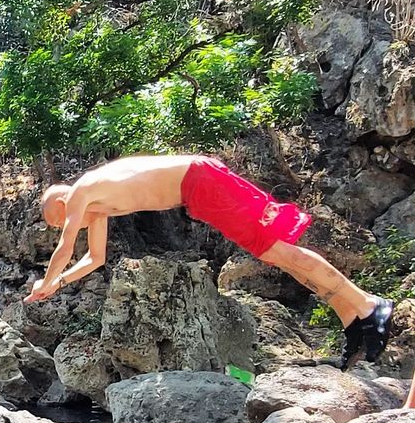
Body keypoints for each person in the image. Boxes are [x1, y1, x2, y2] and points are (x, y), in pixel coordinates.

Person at [25, 154, 394, 370]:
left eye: (58, 221)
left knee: (276, 250)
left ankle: (368, 304)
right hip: (199, 189)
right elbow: (94, 257)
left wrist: (46, 279)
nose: (68, 225)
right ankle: (352, 318)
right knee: (276, 254)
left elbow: (67, 246)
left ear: (61, 205)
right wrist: (59, 283)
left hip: (201, 182)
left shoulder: (80, 192)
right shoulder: (97, 205)